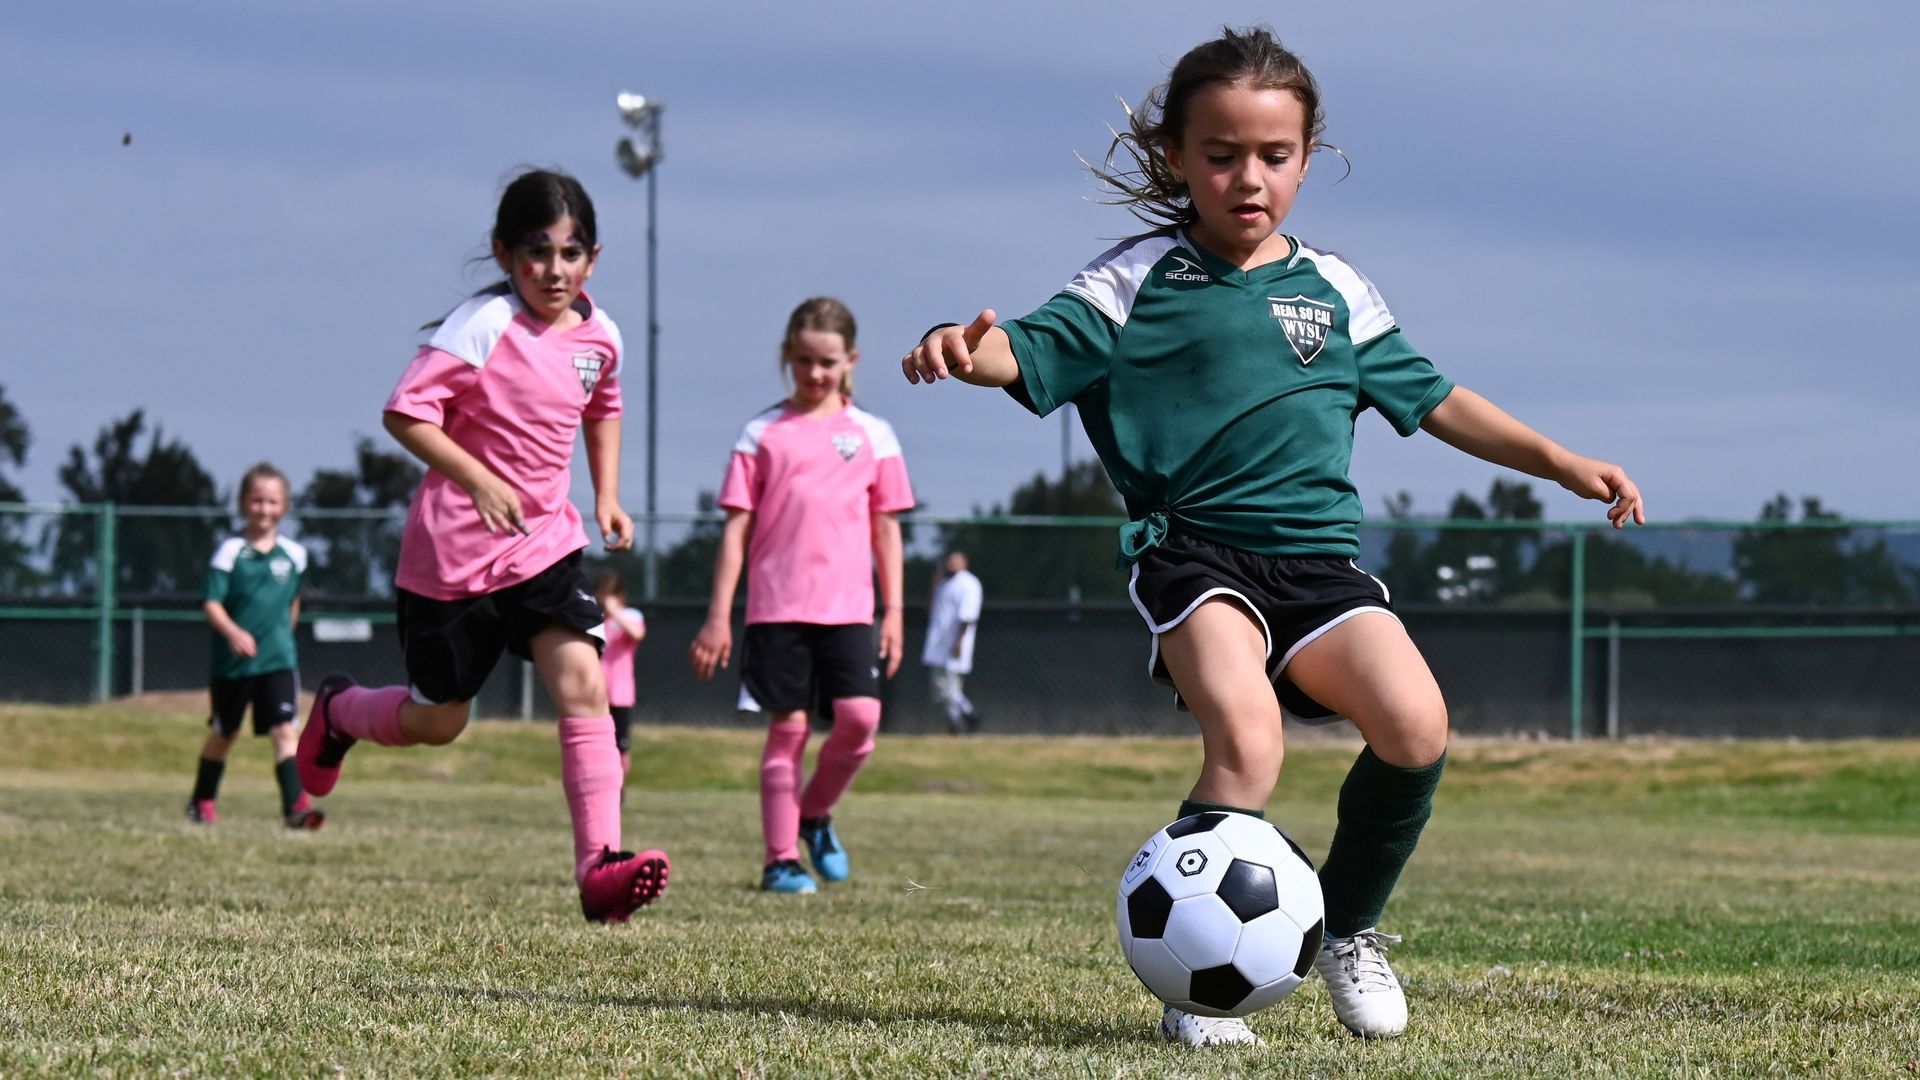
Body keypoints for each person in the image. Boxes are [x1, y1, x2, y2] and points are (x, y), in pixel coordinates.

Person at [903, 26, 1644, 1047]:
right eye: (1220, 154)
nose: (1247, 178)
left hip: (1319, 569)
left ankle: (1346, 928)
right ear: (1176, 156)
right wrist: (960, 347)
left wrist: (1558, 460)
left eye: (1274, 155)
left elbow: (1435, 398)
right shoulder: (1135, 280)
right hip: (1193, 556)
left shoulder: (1336, 289)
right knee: (1249, 743)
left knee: (1417, 727)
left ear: (1306, 158)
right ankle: (1197, 984)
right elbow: (1025, 349)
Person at [295, 168, 669, 923]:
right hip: (453, 560)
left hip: (545, 547)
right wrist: (477, 480)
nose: (554, 270)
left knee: (583, 680)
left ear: (593, 258)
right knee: (440, 721)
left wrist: (606, 495)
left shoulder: (601, 336)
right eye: (537, 252)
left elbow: (603, 405)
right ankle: (339, 711)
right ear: (504, 253)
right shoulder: (483, 324)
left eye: (571, 253)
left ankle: (600, 868)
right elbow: (406, 413)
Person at [690, 297, 915, 895]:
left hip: (849, 611)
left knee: (861, 720)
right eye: (804, 361)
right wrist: (718, 616)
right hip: (776, 608)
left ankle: (813, 814)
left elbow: (886, 530)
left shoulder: (875, 436)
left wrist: (893, 611)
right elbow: (735, 530)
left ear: (851, 360)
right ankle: (780, 861)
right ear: (787, 357)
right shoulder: (760, 434)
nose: (815, 373)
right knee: (787, 730)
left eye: (828, 362)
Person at [187, 462, 324, 829]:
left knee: (285, 731)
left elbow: (292, 602)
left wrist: (282, 637)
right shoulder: (231, 552)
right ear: (243, 503)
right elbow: (211, 603)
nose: (265, 509)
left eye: (273, 502)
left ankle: (296, 810)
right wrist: (233, 633)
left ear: (285, 506)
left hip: (278, 660)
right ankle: (201, 801)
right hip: (233, 666)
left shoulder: (294, 555)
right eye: (257, 500)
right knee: (225, 733)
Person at [922, 550, 984, 734]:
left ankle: (970, 715)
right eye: (948, 561)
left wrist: (959, 642)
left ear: (964, 563)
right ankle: (955, 723)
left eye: (954, 561)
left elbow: (968, 615)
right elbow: (929, 608)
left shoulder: (969, 584)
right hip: (938, 643)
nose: (950, 564)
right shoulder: (943, 584)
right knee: (944, 688)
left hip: (955, 643)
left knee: (947, 687)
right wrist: (933, 586)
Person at [594, 570, 645, 782]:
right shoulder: (596, 621)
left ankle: (618, 789)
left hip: (620, 693)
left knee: (620, 747)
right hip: (597, 693)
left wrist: (615, 613)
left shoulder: (630, 617)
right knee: (597, 746)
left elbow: (637, 634)